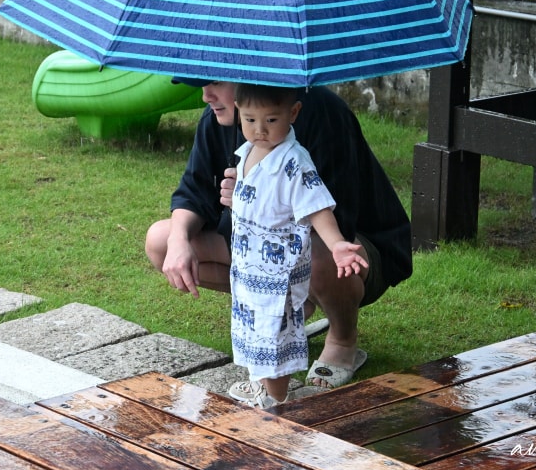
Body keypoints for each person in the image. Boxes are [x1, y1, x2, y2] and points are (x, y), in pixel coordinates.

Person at [145, 79, 412, 391]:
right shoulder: (221, 117)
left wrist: (256, 199)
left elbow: (330, 215)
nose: (205, 95)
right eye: (201, 84)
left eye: (214, 83)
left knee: (316, 253)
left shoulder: (321, 113)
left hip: (348, 250)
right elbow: (194, 191)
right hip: (263, 248)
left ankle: (342, 339)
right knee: (162, 240)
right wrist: (180, 240)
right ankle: (281, 313)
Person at [226, 83, 368, 408]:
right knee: (252, 329)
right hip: (248, 269)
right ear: (238, 112)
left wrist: (336, 244)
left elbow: (317, 206)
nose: (260, 130)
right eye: (249, 120)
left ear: (293, 113)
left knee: (274, 335)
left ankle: (274, 401)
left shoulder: (294, 161)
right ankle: (259, 381)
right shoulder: (247, 152)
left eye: (271, 121)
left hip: (278, 275)